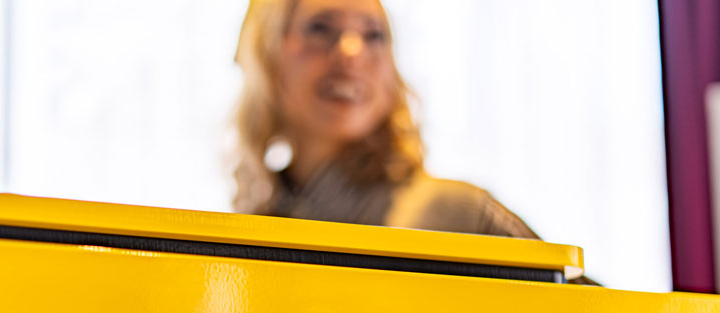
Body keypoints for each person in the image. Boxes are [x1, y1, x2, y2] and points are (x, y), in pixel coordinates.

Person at [231, 0, 539, 240]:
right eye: (320, 28)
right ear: (264, 54)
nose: (352, 51)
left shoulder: (461, 218)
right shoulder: (251, 233)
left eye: (374, 35)